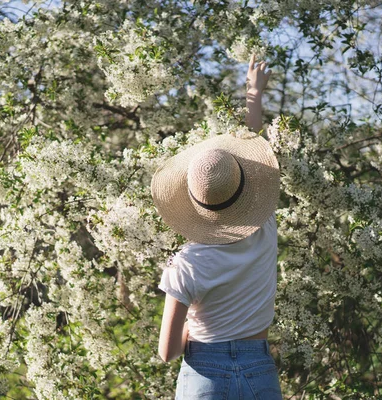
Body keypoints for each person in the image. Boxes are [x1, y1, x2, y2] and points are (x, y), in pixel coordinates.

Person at [151, 54, 282, 400]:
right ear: (244, 192)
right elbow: (252, 149)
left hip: (204, 375)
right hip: (258, 368)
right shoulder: (264, 227)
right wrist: (254, 91)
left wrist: (196, 333)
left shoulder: (187, 265)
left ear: (193, 202)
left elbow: (168, 352)